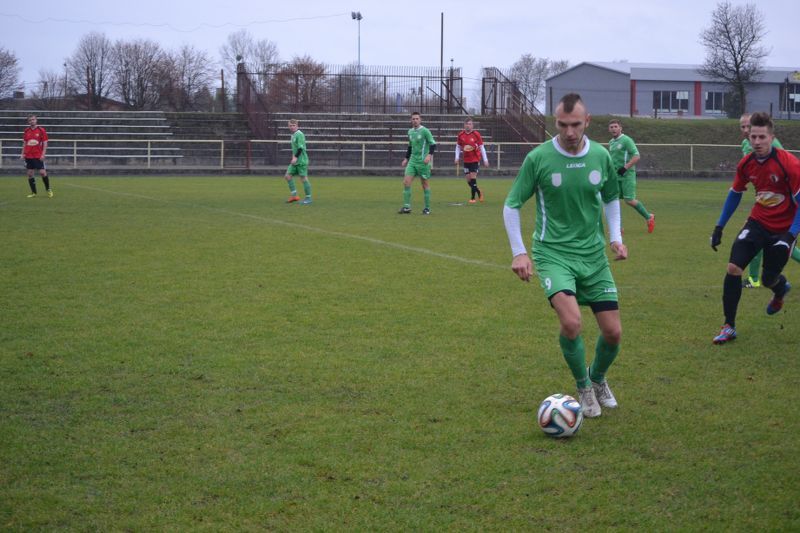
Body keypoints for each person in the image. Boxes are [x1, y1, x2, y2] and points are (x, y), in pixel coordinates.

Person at [503, 93, 627, 418]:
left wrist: (616, 237)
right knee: (572, 322)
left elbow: (612, 197)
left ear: (587, 122)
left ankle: (598, 379)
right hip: (553, 253)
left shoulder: (601, 155)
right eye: (562, 124)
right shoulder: (539, 158)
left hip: (593, 256)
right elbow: (511, 204)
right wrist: (519, 252)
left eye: (575, 124)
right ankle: (583, 386)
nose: (569, 132)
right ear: (554, 123)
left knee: (613, 333)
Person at [710, 111, 800, 345]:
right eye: (753, 137)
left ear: (772, 137)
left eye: (762, 137)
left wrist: (792, 234)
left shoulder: (788, 163)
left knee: (769, 278)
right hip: (758, 223)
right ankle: (729, 326)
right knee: (733, 267)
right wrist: (719, 226)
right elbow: (735, 194)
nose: (757, 142)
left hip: (783, 229)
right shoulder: (746, 163)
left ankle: (779, 290)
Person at [738, 113, 785, 288]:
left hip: (780, 203)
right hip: (764, 201)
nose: (745, 130)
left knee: (759, 237)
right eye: (742, 127)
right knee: (777, 241)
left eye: (747, 126)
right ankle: (754, 279)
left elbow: (785, 164)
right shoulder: (746, 144)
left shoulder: (771, 144)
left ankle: (754, 279)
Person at [608, 119, 654, 232]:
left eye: (615, 126)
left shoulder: (626, 140)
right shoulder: (611, 142)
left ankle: (649, 217)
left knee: (629, 200)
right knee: (613, 201)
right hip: (615, 176)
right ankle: (618, 228)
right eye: (611, 127)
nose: (613, 129)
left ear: (620, 128)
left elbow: (636, 156)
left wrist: (625, 167)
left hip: (627, 175)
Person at [399, 111, 436, 215]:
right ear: (411, 120)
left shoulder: (425, 131)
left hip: (423, 162)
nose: (415, 120)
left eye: (417, 119)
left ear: (420, 120)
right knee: (406, 182)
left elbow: (433, 144)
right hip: (412, 162)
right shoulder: (410, 132)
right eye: (413, 119)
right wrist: (406, 158)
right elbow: (410, 146)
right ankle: (407, 207)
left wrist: (429, 155)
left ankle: (427, 208)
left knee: (424, 184)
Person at [455, 117, 489, 204]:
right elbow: (458, 147)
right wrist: (457, 157)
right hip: (466, 160)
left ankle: (473, 198)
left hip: (475, 159)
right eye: (466, 124)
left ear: (472, 125)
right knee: (468, 181)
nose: (468, 126)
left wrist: (485, 159)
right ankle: (479, 191)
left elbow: (482, 147)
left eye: (470, 124)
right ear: (464, 125)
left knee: (473, 178)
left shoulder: (476, 134)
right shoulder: (461, 135)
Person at [20, 115, 52, 198]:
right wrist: (22, 153)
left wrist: (43, 154)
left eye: (33, 119)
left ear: (36, 120)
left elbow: (45, 143)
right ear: (28, 122)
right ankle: (33, 192)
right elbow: (25, 143)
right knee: (30, 174)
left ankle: (48, 189)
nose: (32, 121)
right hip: (28, 155)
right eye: (30, 120)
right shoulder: (26, 130)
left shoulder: (41, 130)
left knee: (42, 172)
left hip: (38, 155)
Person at [284, 119, 312, 205]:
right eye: (290, 126)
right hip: (295, 161)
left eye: (294, 125)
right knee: (288, 176)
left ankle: (308, 198)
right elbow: (295, 148)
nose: (292, 127)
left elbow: (300, 148)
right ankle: (294, 196)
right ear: (289, 126)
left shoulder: (299, 134)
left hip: (302, 161)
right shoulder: (293, 135)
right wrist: (293, 157)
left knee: (303, 178)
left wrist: (295, 157)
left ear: (297, 126)